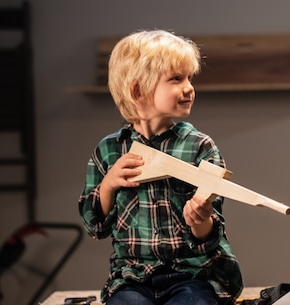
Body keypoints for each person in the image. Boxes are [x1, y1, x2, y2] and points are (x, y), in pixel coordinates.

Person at [78, 30, 243, 305]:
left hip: (193, 273)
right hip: (132, 277)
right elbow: (94, 226)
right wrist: (109, 184)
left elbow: (210, 235)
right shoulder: (109, 150)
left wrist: (199, 218)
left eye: (190, 78)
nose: (189, 87)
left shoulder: (199, 146)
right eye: (176, 79)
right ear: (137, 90)